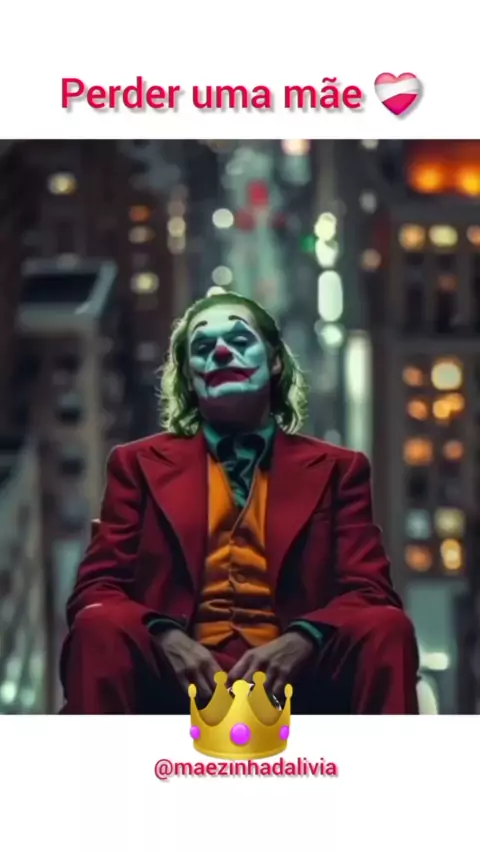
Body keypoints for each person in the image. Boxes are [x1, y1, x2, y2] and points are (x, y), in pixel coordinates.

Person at [60, 287, 419, 714]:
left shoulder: (340, 469)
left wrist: (301, 639)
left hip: (300, 679)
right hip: (174, 678)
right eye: (203, 348)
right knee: (97, 624)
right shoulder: (135, 464)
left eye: (240, 340)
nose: (221, 353)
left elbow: (370, 590)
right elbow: (96, 589)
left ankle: (386, 761)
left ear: (275, 361)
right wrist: (166, 636)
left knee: (387, 627)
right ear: (190, 379)